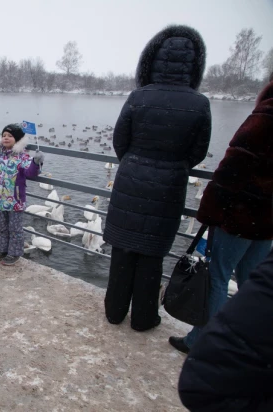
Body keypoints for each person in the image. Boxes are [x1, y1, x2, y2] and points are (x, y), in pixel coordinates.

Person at [103, 25, 212, 331]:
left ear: (151, 60)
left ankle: (114, 311)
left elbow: (120, 141)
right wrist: (174, 166)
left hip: (129, 182)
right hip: (169, 188)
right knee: (151, 257)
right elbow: (198, 152)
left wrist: (135, 162)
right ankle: (143, 318)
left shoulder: (138, 96)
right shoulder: (200, 103)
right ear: (195, 65)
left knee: (122, 251)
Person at [169, 74, 273, 354]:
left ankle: (200, 341)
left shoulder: (265, 117)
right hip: (267, 221)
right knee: (255, 283)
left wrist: (210, 209)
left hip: (241, 216)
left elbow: (232, 169)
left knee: (217, 276)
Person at [177, 248, 273, 411]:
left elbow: (199, 389)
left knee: (219, 277)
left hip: (236, 229)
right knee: (248, 276)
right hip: (261, 233)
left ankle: (198, 337)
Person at [0, 123, 44, 266]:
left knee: (15, 228)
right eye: (4, 135)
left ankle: (14, 253)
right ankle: (2, 250)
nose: (6, 138)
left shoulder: (22, 157)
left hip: (15, 200)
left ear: (17, 139)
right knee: (2, 227)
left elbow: (30, 174)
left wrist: (36, 162)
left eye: (10, 136)